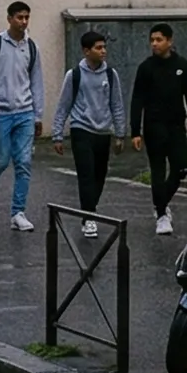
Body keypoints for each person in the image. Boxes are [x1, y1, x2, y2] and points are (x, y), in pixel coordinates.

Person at [0, 1, 46, 231]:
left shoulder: (31, 47)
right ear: (9, 18)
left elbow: (36, 81)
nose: (24, 22)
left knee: (24, 162)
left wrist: (38, 115)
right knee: (0, 159)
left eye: (27, 17)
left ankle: (18, 212)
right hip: (1, 112)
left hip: (24, 112)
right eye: (19, 17)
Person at [50, 30, 126, 237]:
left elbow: (116, 104)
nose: (103, 51)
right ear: (86, 51)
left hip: (103, 131)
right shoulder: (74, 75)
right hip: (81, 129)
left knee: (99, 176)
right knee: (86, 175)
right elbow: (63, 105)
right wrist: (57, 134)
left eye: (104, 47)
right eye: (98, 47)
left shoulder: (111, 75)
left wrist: (120, 134)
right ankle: (89, 216)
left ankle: (91, 210)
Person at [129, 22, 187, 235]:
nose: (154, 44)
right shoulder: (146, 68)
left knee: (181, 168)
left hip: (176, 124)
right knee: (158, 170)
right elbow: (137, 99)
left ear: (170, 41)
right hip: (154, 125)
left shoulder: (181, 65)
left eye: (159, 40)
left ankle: (161, 201)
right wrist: (135, 130)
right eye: (152, 40)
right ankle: (161, 216)